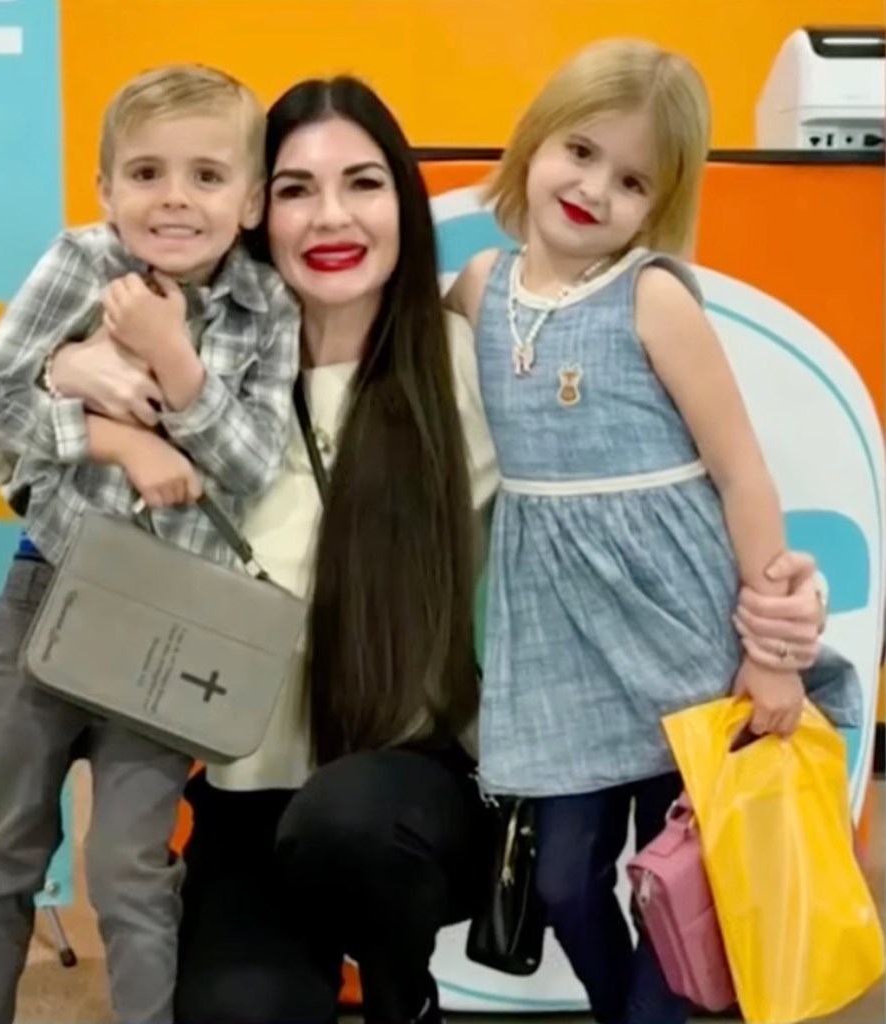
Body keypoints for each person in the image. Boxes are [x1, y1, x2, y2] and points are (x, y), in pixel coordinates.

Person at [49, 75, 830, 1024]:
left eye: (364, 183)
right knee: (238, 1010)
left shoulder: (469, 355)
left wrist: (778, 601)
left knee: (350, 825)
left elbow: (643, 482)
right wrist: (68, 379)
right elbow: (2, 442)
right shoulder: (183, 360)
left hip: (413, 789)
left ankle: (400, 992)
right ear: (255, 209)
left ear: (403, 203)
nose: (330, 216)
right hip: (250, 792)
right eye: (296, 188)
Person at [446, 39, 861, 1024]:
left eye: (631, 179)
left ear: (661, 199)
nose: (594, 188)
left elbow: (740, 472)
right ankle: (619, 1001)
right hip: (552, 638)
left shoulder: (653, 296)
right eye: (579, 151)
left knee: (691, 871)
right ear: (533, 143)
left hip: (673, 622)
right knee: (561, 884)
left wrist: (768, 654)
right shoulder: (475, 287)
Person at [0, 65, 300, 1024]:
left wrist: (172, 360)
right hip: (47, 593)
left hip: (171, 623)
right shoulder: (76, 262)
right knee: (0, 850)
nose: (174, 198)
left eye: (206, 177)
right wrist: (116, 437)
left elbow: (251, 460)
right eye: (145, 173)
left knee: (130, 865)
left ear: (251, 200)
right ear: (106, 188)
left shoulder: (269, 308)